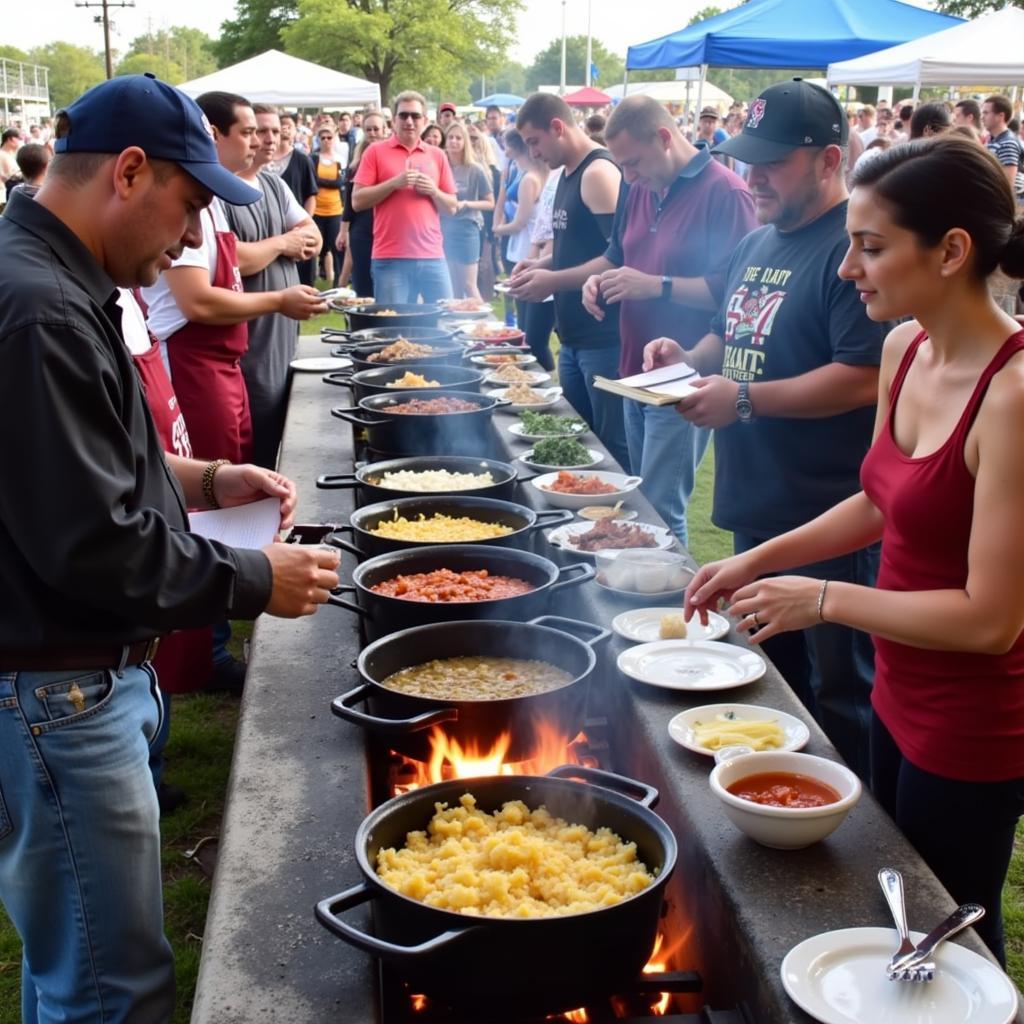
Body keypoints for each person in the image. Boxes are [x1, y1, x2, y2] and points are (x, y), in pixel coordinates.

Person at [0, 73, 340, 1024]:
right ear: (130, 170)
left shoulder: (57, 277)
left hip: (57, 684)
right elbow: (93, 544)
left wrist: (208, 480)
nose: (194, 239)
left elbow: (96, 464)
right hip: (53, 690)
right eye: (188, 206)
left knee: (70, 965)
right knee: (113, 992)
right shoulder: (37, 307)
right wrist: (253, 579)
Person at [687, 135, 1024, 962]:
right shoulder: (904, 348)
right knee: (901, 904)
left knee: (954, 932)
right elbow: (878, 499)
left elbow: (991, 621)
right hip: (897, 692)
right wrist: (759, 559)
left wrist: (824, 598)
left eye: (870, 248)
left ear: (951, 251)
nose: (847, 270)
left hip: (974, 725)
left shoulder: (1013, 397)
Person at [644, 79, 886, 780]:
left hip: (827, 520)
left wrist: (743, 400)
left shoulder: (851, 251)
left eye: (772, 162)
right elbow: (732, 331)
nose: (753, 177)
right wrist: (684, 363)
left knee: (840, 699)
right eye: (748, 159)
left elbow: (863, 376)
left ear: (828, 159)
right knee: (768, 689)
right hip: (754, 512)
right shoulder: (757, 242)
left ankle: (856, 843)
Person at [580, 95, 757, 547]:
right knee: (644, 503)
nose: (629, 175)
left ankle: (668, 611)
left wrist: (656, 284)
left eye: (634, 162)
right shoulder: (637, 187)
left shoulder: (726, 191)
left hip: (685, 379)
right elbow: (617, 256)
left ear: (664, 137)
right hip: (632, 370)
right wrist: (595, 282)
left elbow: (736, 292)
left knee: (661, 509)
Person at [142, 90, 326, 466]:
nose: (259, 142)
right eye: (247, 132)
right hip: (190, 362)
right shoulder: (187, 203)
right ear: (212, 133)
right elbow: (197, 301)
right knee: (214, 481)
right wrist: (279, 299)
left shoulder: (217, 201)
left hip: (225, 366)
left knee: (238, 473)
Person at [510, 91, 629, 471]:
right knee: (579, 446)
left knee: (610, 453)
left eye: (534, 142)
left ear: (557, 128)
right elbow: (572, 246)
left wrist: (553, 280)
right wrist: (537, 264)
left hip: (603, 338)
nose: (534, 153)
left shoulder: (598, 172)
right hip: (573, 339)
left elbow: (617, 257)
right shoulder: (566, 174)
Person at [226, 105, 321, 469]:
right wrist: (282, 244)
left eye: (274, 132)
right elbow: (236, 258)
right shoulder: (221, 192)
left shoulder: (273, 183)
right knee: (256, 436)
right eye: (257, 132)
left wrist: (290, 241)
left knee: (283, 423)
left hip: (283, 333)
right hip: (252, 335)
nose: (267, 140)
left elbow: (311, 234)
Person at [351, 89, 457, 303]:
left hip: (432, 256)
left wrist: (434, 192)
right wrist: (393, 184)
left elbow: (452, 207)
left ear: (425, 120)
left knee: (444, 323)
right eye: (404, 115)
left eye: (415, 116)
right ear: (394, 120)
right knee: (393, 326)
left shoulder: (437, 155)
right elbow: (357, 201)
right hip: (390, 257)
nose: (409, 121)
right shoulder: (375, 152)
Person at [493, 129, 548, 336]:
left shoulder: (529, 179)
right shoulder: (522, 173)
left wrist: (499, 229)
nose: (504, 149)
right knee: (523, 320)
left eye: (505, 144)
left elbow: (520, 222)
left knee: (529, 328)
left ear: (514, 147)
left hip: (526, 250)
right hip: (521, 248)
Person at [440, 120, 494, 300]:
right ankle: (457, 325)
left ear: (465, 142)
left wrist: (467, 204)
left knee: (469, 285)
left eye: (458, 138)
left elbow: (489, 202)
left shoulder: (475, 169)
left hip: (467, 228)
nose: (454, 141)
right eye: (450, 138)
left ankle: (483, 325)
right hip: (444, 229)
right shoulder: (441, 166)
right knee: (451, 286)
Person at [268, 110, 319, 286]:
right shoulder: (262, 164)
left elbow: (311, 194)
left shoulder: (302, 159)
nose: (283, 131)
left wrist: (304, 224)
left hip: (294, 227)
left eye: (287, 127)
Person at [340, 112, 385, 297]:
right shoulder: (356, 165)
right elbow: (349, 205)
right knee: (362, 284)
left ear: (385, 130)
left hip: (386, 229)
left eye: (376, 129)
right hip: (362, 229)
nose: (373, 133)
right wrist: (343, 231)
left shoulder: (392, 160)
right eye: (369, 129)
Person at [312, 123, 346, 287]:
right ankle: (310, 283)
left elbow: (340, 183)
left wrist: (322, 183)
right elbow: (312, 181)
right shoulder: (313, 158)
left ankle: (337, 286)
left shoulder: (340, 159)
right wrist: (329, 183)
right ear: (318, 140)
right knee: (316, 248)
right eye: (323, 137)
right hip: (316, 209)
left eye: (329, 137)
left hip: (335, 209)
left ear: (334, 139)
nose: (326, 140)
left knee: (336, 248)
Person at [982, 94, 1024, 201]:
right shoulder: (994, 140)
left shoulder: (1007, 143)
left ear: (1000, 116)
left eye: (986, 113)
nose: (982, 117)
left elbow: (1007, 184)